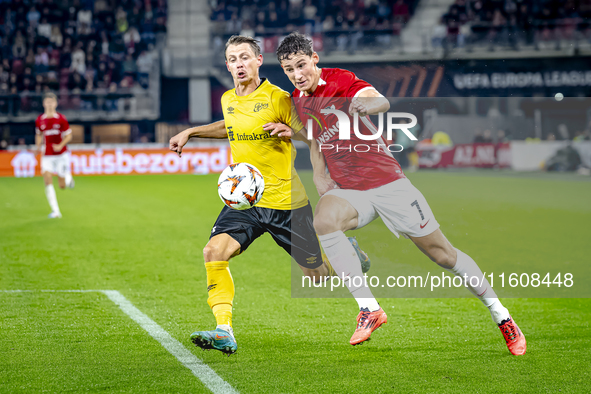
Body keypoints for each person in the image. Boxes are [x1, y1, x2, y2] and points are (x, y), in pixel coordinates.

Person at [271, 32, 526, 355]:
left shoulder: (342, 80)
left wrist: (367, 105)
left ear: (315, 60)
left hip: (388, 184)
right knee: (323, 221)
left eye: (302, 65)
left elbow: (380, 100)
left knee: (444, 256)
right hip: (350, 190)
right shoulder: (299, 98)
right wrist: (317, 171)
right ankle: (369, 309)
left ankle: (502, 316)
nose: (297, 74)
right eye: (289, 68)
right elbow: (315, 138)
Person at [168, 35, 368, 356]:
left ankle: (347, 254)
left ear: (259, 60)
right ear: (227, 65)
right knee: (213, 252)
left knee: (315, 276)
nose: (239, 65)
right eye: (232, 60)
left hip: (286, 202)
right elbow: (230, 124)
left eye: (244, 58)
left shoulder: (278, 98)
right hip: (244, 200)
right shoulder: (228, 98)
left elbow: (312, 132)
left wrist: (295, 134)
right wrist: (192, 131)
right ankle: (224, 330)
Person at [34, 92, 75, 219]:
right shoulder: (40, 120)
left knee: (62, 186)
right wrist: (37, 147)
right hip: (47, 155)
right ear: (44, 103)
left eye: (52, 102)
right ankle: (56, 211)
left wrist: (61, 145)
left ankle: (68, 178)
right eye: (47, 102)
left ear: (56, 103)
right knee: (47, 179)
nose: (50, 104)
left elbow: (69, 135)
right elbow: (39, 135)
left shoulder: (61, 119)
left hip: (61, 155)